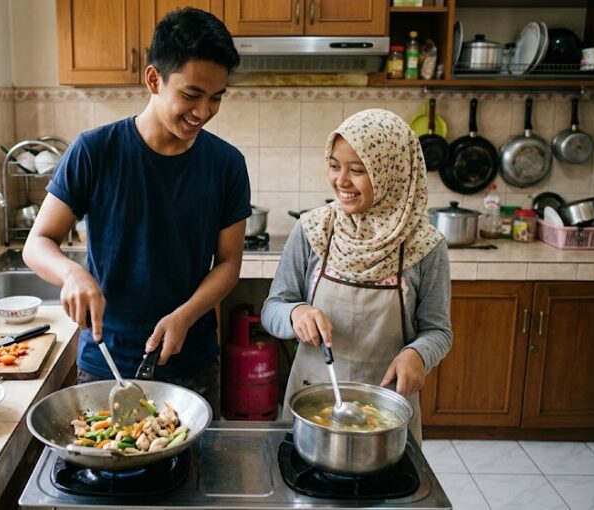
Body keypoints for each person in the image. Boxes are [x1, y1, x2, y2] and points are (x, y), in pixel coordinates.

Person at [23, 8, 250, 418]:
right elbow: (37, 243)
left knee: (195, 460)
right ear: (153, 79)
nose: (204, 111)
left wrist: (185, 316)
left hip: (192, 361)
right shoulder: (94, 151)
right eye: (191, 94)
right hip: (107, 361)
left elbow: (229, 264)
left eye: (216, 97)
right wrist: (72, 273)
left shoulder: (227, 164)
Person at [261, 109, 452, 442]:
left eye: (358, 170)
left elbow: (438, 331)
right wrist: (295, 313)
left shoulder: (425, 245)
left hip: (387, 410)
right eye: (335, 166)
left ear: (390, 172)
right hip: (311, 404)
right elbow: (273, 308)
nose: (341, 181)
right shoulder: (313, 230)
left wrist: (418, 354)